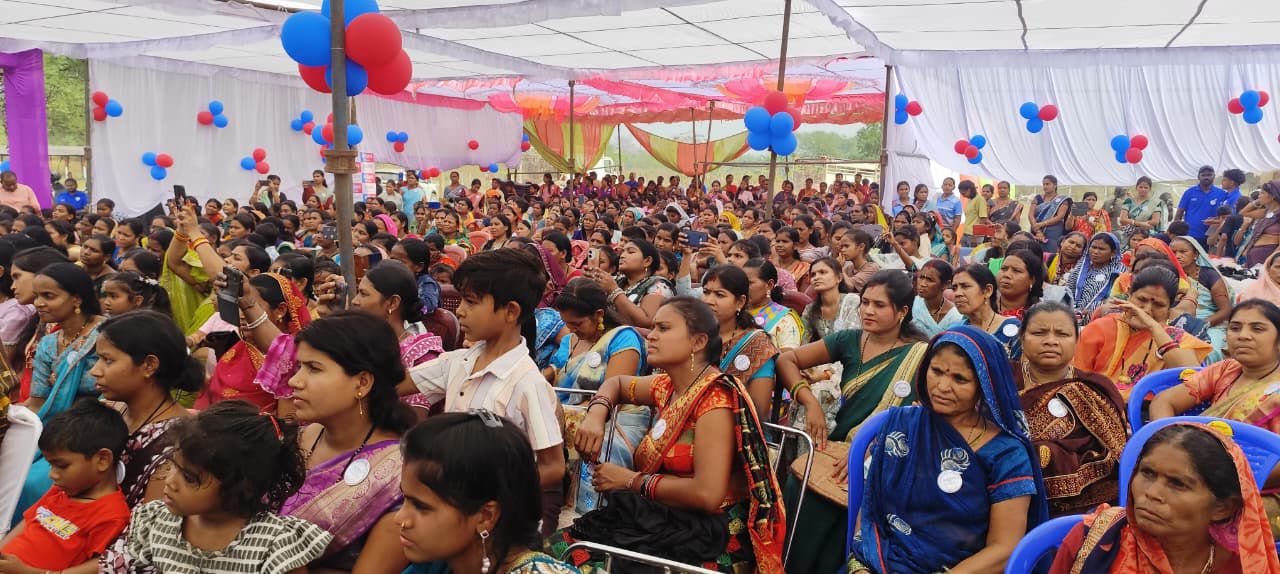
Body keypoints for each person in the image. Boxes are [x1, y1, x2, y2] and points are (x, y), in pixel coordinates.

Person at [551, 297, 786, 574]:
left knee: (580, 560)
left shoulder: (715, 402)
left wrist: (630, 480)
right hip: (663, 517)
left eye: (663, 328)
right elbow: (615, 383)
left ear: (698, 342)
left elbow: (707, 495)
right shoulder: (667, 385)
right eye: (653, 328)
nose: (651, 336)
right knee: (560, 547)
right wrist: (596, 414)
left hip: (705, 534)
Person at [846, 326, 1048, 574]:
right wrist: (861, 567)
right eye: (936, 371)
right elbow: (870, 508)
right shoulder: (902, 426)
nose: (942, 386)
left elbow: (1004, 549)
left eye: (959, 379)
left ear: (985, 385)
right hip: (877, 563)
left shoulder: (1006, 454)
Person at [776, 270, 930, 574]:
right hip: (836, 451)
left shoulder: (922, 354)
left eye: (879, 305)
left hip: (883, 461)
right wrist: (810, 403)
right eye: (864, 302)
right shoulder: (849, 340)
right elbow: (786, 360)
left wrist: (870, 448)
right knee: (801, 491)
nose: (868, 311)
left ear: (902, 312)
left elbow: (923, 415)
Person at [406, 249, 566, 532]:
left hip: (496, 520)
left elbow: (553, 466)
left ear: (511, 311)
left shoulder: (528, 384)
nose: (460, 310)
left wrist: (496, 497)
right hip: (455, 507)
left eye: (471, 302)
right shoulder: (460, 362)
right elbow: (398, 383)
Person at [115, 401, 333, 573]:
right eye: (173, 466)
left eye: (189, 478)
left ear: (242, 485)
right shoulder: (158, 521)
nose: (171, 482)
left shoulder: (273, 545)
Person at [1048, 422, 1280, 573]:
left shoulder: (1244, 564)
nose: (1152, 493)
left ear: (1223, 508)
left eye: (1177, 484)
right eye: (1147, 473)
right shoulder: (1094, 539)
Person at [398, 412, 581, 574]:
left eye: (420, 506)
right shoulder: (439, 564)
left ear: (485, 516)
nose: (399, 518)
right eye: (405, 499)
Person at [1014, 301, 1129, 517]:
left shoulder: (1094, 388)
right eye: (1039, 333)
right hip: (1001, 494)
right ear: (1022, 338)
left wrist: (1048, 455)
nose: (1050, 341)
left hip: (1077, 509)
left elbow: (1115, 456)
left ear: (1076, 341)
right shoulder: (1003, 380)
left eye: (1062, 334)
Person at [549, 277, 646, 513]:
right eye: (567, 324)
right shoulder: (571, 340)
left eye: (577, 323)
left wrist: (570, 412)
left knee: (597, 445)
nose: (571, 329)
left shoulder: (622, 338)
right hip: (565, 412)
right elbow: (557, 372)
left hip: (613, 417)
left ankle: (587, 514)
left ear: (599, 314)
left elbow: (616, 392)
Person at [0, 400, 130, 572]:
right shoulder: (59, 491)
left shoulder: (111, 516)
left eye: (61, 465)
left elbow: (97, 568)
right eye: (50, 465)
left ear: (102, 460)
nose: (52, 474)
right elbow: (27, 522)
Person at [1075, 267, 1213, 398]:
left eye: (1158, 305)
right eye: (1141, 300)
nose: (1147, 310)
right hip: (1094, 404)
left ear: (1169, 309)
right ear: (1129, 296)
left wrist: (1153, 326)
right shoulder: (1101, 328)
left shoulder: (1174, 337)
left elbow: (1194, 377)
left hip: (1145, 414)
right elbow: (1076, 377)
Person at [1151, 300, 1280, 435]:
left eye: (1257, 329)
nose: (1242, 336)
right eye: (1235, 328)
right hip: (1195, 450)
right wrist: (1166, 441)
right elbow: (1163, 401)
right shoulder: (1226, 369)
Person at [197, 273, 310, 415]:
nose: (243, 315)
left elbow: (287, 423)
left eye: (250, 307)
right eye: (239, 307)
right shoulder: (236, 351)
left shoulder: (294, 360)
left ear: (280, 310)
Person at [701, 264, 780, 417]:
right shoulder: (692, 335)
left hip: (734, 430)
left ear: (740, 302)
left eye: (719, 295)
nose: (708, 301)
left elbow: (757, 412)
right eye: (706, 292)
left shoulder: (756, 345)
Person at [1171, 235, 1233, 361]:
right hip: (1177, 323)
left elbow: (1225, 310)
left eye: (1182, 252)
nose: (1177, 256)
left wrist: (1201, 324)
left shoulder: (1209, 275)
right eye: (1173, 252)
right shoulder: (1170, 275)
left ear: (1196, 254)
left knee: (1208, 350)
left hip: (1211, 324)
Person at [585, 238, 670, 328]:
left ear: (647, 261)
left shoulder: (659, 285)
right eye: (622, 252)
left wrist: (614, 291)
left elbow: (646, 322)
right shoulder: (617, 280)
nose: (622, 256)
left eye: (630, 252)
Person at [954, 263, 1024, 359]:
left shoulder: (1013, 329)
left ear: (987, 291)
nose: (957, 293)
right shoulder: (956, 331)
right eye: (954, 288)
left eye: (965, 286)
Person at [742, 258, 804, 351]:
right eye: (742, 282)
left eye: (750, 283)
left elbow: (789, 356)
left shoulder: (784, 319)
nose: (743, 287)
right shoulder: (734, 313)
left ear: (770, 285)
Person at [1065, 232, 1127, 316]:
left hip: (1099, 317)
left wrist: (1093, 309)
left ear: (1113, 253)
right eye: (1093, 247)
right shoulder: (1080, 268)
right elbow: (1068, 290)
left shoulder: (1119, 272)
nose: (1096, 252)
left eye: (1101, 249)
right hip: (1071, 315)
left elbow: (1117, 299)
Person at [1176, 165, 1227, 246]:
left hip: (1212, 236)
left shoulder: (1222, 194)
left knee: (1209, 258)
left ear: (1214, 176)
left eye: (1209, 175)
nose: (1206, 177)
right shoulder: (1189, 192)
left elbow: (1226, 215)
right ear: (1198, 177)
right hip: (1190, 235)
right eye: (1203, 175)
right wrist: (1176, 231)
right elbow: (1180, 212)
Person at [912, 259, 963, 337]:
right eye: (921, 278)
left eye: (930, 280)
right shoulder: (912, 304)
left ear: (945, 284)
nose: (922, 284)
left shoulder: (956, 317)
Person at [1238, 181, 1280, 267]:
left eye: (1262, 193)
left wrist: (1273, 263)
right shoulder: (1265, 212)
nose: (1259, 195)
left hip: (1266, 260)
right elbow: (1243, 213)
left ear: (1272, 196)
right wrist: (1257, 202)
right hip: (1253, 258)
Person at [997, 249, 1046, 319]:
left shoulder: (1041, 315)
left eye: (1016, 271)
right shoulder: (983, 306)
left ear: (1032, 280)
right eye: (1004, 268)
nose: (1006, 275)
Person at [99, 271, 171, 317]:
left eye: (113, 296)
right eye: (106, 296)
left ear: (137, 300)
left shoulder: (146, 328)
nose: (106, 302)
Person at [1118, 176, 1163, 245]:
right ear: (1136, 187)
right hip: (1130, 233)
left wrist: (1131, 221)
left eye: (1146, 187)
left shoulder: (1155, 203)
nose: (1143, 189)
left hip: (1147, 234)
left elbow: (1155, 221)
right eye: (1141, 187)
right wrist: (1141, 224)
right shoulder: (1129, 201)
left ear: (1150, 189)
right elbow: (1122, 219)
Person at [1032, 175, 1071, 254]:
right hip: (1036, 231)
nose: (1045, 186)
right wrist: (1038, 231)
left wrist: (1041, 224)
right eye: (1044, 184)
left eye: (1048, 184)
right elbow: (1030, 215)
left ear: (1055, 185)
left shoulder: (1062, 200)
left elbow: (1060, 217)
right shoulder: (1037, 198)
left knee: (1052, 255)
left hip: (1054, 232)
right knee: (1034, 253)